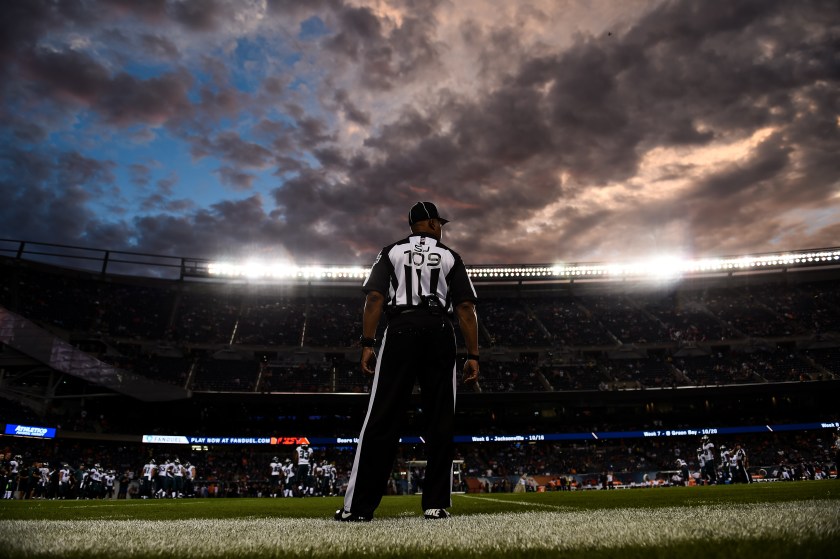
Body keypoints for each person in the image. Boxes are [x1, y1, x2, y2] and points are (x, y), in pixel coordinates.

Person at [335, 201, 479, 522]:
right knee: (440, 418)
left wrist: (367, 344)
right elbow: (466, 308)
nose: (440, 227)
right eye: (437, 222)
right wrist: (473, 354)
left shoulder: (391, 252)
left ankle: (358, 508)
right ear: (427, 224)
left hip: (400, 329)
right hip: (439, 330)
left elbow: (374, 298)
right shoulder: (450, 256)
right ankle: (435, 504)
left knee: (382, 417)